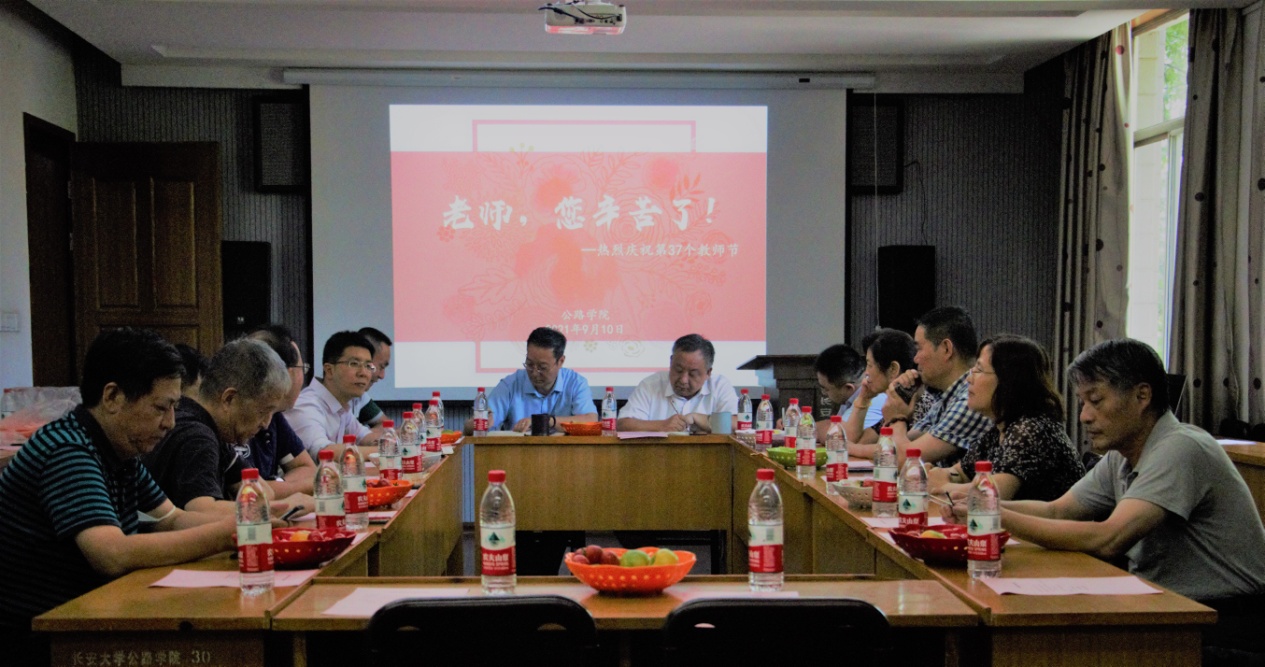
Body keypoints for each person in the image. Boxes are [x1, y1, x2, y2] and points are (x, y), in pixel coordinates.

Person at [959, 339, 1265, 662]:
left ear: (1142, 396)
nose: (1084, 416)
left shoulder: (1180, 448)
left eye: (1096, 401)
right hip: (1171, 607)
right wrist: (981, 504)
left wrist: (992, 514)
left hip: (1228, 622)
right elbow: (1058, 510)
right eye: (1082, 402)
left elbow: (1110, 539)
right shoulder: (1122, 455)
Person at [0, 329, 235, 666]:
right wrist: (226, 536)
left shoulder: (119, 452)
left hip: (86, 620)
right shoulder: (67, 450)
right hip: (38, 641)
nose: (170, 423)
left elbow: (172, 519)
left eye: (174, 408)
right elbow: (111, 554)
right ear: (112, 397)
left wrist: (251, 522)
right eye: (161, 408)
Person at [143, 338, 293, 513]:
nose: (266, 424)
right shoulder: (197, 437)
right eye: (263, 411)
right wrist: (283, 507)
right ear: (229, 399)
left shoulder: (210, 427)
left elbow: (263, 492)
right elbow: (202, 510)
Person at [926, 335, 1083, 501]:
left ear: (1008, 380)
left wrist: (942, 486)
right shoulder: (999, 430)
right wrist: (942, 475)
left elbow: (994, 493)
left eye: (978, 370)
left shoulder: (1031, 429)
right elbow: (961, 472)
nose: (969, 379)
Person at [876, 306, 993, 465]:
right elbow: (889, 449)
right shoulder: (944, 396)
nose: (915, 359)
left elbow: (900, 458)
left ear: (946, 349)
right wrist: (901, 400)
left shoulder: (970, 399)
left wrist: (897, 418)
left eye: (919, 349)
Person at [464, 327, 597, 434]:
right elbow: (475, 426)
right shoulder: (511, 385)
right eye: (529, 364)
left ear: (560, 361)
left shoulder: (576, 383)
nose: (534, 372)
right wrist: (474, 425)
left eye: (542, 368)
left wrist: (546, 421)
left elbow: (590, 421)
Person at [285, 331, 383, 458]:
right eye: (354, 364)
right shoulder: (306, 405)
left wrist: (392, 443)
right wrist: (385, 451)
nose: (364, 373)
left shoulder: (340, 404)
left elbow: (365, 437)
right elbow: (324, 452)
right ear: (329, 370)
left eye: (368, 366)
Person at [245, 324, 317, 499]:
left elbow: (307, 469)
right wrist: (285, 488)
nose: (265, 423)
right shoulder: (228, 422)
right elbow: (248, 491)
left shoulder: (275, 415)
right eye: (303, 369)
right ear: (284, 373)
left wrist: (278, 485)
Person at [618, 333, 738, 433]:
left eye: (692, 374)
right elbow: (622, 424)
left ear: (708, 372)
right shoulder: (651, 385)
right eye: (678, 370)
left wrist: (700, 419)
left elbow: (738, 424)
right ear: (671, 362)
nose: (683, 379)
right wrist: (662, 425)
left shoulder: (719, 386)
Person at [844, 328, 926, 447]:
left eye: (870, 365)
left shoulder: (920, 401)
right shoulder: (894, 402)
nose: (866, 372)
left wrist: (852, 449)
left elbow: (894, 450)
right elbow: (854, 440)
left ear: (893, 369)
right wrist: (863, 399)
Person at [811, 343, 885, 441]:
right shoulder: (849, 397)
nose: (823, 393)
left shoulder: (873, 398)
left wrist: (804, 428)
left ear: (848, 388)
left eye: (826, 389)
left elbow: (840, 437)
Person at [350, 327, 392, 427]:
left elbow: (387, 425)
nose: (382, 376)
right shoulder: (317, 404)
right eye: (381, 366)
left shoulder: (358, 395)